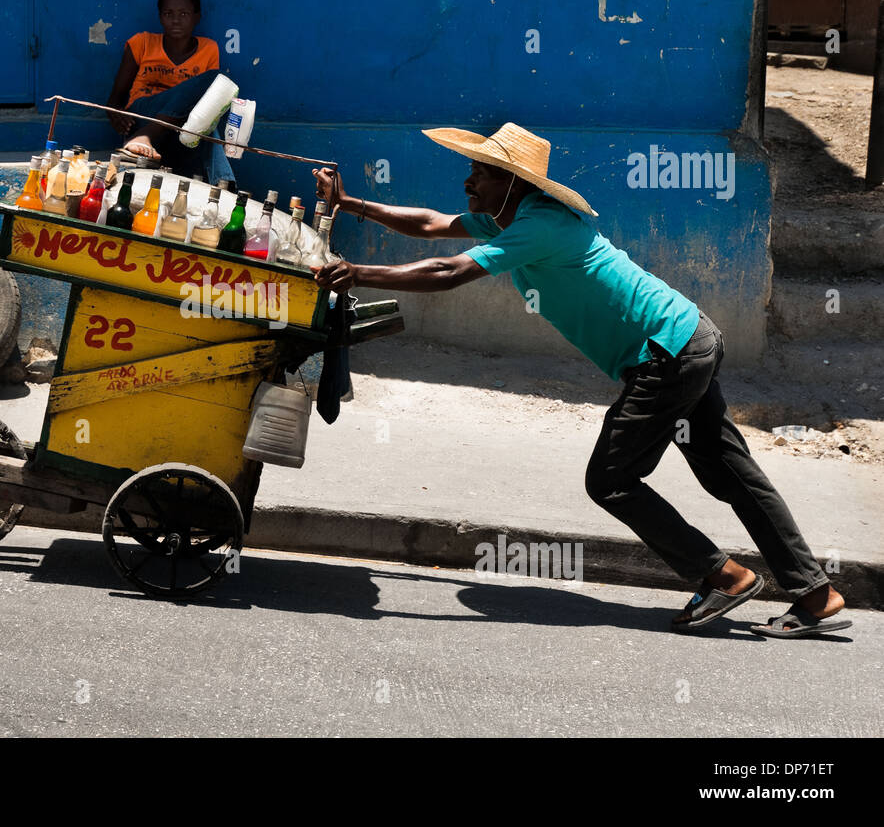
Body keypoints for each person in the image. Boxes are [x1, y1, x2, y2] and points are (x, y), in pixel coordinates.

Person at [311, 122, 851, 638]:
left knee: (611, 481)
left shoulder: (541, 225)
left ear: (514, 183)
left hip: (665, 352)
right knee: (731, 475)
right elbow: (430, 224)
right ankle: (816, 595)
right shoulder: (512, 218)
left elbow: (450, 271)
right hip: (687, 337)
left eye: (482, 172)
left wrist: (357, 273)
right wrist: (349, 203)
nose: (469, 182)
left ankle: (725, 577)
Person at [105, 0, 236, 186]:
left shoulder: (209, 48)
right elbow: (114, 99)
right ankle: (224, 184)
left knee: (213, 92)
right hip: (143, 116)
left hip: (181, 130)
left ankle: (224, 187)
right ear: (160, 17)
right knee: (212, 84)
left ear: (196, 17)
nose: (176, 20)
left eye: (184, 14)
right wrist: (116, 115)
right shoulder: (142, 43)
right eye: (168, 14)